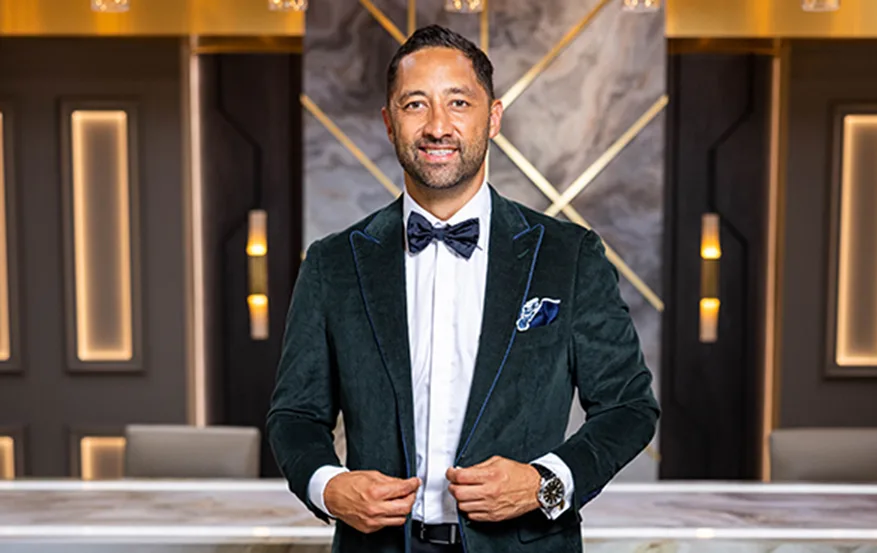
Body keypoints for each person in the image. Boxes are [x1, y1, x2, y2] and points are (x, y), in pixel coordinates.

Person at [267, 24, 660, 553]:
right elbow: (295, 416)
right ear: (388, 123)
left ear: (493, 117)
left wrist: (545, 482)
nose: (437, 126)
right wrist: (329, 486)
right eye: (414, 105)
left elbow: (629, 407)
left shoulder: (568, 256)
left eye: (458, 102)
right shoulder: (333, 263)